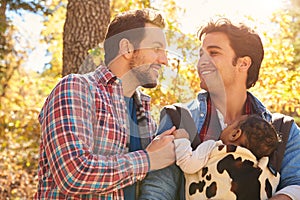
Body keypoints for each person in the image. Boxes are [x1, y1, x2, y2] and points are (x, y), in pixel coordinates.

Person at [139, 18, 300, 200]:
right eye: (201, 55)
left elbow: (296, 182)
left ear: (243, 63)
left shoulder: (284, 130)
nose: (201, 63)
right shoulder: (178, 118)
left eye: (213, 53)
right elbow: (158, 192)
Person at [34, 8, 176, 199]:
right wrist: (149, 159)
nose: (164, 60)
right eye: (157, 48)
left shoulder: (146, 117)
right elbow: (74, 174)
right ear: (126, 48)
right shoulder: (77, 88)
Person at [174, 114, 280, 199]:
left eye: (231, 124)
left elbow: (187, 165)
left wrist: (182, 140)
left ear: (235, 134)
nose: (225, 124)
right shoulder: (261, 167)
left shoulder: (214, 147)